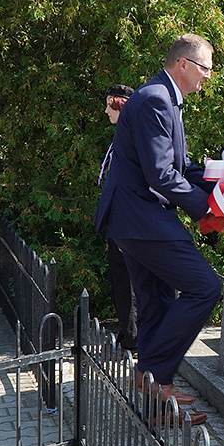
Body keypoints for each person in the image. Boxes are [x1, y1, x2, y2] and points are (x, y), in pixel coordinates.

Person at [95, 34, 224, 424]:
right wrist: (214, 206)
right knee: (203, 287)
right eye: (205, 69)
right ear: (183, 64)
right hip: (140, 219)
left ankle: (155, 398)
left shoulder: (165, 99)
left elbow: (182, 169)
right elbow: (162, 175)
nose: (208, 77)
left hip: (137, 219)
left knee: (156, 304)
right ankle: (153, 381)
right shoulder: (154, 99)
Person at [99, 84, 138, 352]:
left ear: (118, 105)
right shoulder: (121, 138)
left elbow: (131, 187)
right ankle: (127, 332)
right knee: (121, 280)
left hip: (127, 225)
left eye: (108, 105)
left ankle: (134, 336)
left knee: (130, 282)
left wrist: (126, 228)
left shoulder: (131, 140)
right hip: (117, 225)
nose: (105, 111)